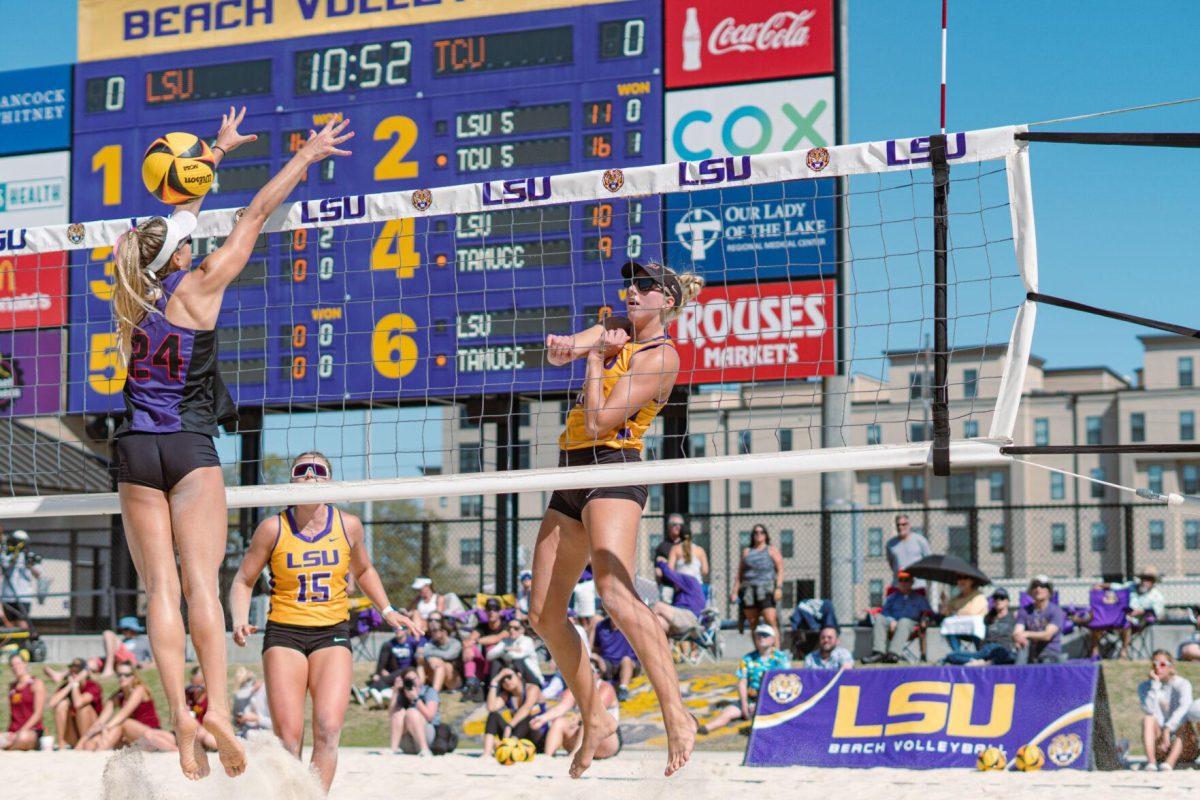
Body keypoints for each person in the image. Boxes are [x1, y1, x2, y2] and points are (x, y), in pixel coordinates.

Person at [110, 109, 352, 780]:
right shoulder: (202, 286)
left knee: (158, 589)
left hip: (134, 449)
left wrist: (212, 153)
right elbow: (254, 215)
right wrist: (307, 155)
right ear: (180, 254)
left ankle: (179, 720)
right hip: (187, 449)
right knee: (201, 590)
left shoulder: (130, 294)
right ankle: (214, 707)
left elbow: (176, 225)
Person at [529, 260, 704, 778]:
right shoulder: (618, 327)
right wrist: (568, 346)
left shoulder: (661, 355)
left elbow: (602, 419)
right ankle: (598, 719)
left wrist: (592, 359)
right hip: (572, 469)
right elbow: (565, 352)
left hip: (614, 466)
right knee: (542, 613)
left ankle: (676, 713)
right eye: (630, 283)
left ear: (666, 301)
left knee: (614, 591)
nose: (631, 290)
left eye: (644, 286)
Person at [229, 451, 421, 794]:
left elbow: (363, 571)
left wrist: (388, 609)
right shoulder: (273, 527)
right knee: (288, 738)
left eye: (318, 471)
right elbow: (243, 580)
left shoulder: (348, 525)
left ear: (330, 481)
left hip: (332, 632)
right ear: (292, 481)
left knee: (328, 728)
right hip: (285, 633)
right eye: (302, 471)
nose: (310, 476)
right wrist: (240, 619)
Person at [697, 624, 789, 736]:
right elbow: (742, 681)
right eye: (758, 635)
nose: (761, 638)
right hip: (751, 697)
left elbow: (785, 681)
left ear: (773, 639)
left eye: (765, 635)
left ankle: (754, 729)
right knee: (729, 711)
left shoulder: (780, 658)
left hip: (771, 698)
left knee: (763, 713)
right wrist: (745, 705)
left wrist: (763, 701)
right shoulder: (748, 658)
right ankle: (705, 729)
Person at [77, 664, 175, 753]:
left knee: (124, 723)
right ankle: (98, 750)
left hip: (152, 732)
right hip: (129, 735)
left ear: (133, 676)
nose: (122, 677)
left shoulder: (139, 689)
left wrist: (106, 728)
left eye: (126, 675)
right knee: (90, 744)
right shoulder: (118, 695)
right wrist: (83, 740)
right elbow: (100, 720)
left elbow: (123, 714)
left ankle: (100, 751)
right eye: (119, 675)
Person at [536, 670, 621, 760]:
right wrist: (542, 719)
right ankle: (547, 757)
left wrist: (579, 716)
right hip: (582, 737)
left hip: (608, 740)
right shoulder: (574, 689)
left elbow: (596, 711)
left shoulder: (606, 688)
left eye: (589, 670)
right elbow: (561, 708)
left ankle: (575, 756)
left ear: (598, 674)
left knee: (590, 720)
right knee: (559, 722)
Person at [1139, 650, 1200, 771]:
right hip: (1161, 744)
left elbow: (1185, 709)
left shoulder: (1182, 684)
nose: (1157, 668)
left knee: (1184, 723)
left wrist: (1168, 728)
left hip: (1183, 745)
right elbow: (1149, 710)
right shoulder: (1145, 687)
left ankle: (1169, 764)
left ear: (1171, 666)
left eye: (1162, 664)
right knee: (1148, 719)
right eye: (1154, 664)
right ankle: (1151, 762)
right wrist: (1154, 686)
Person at [1093, 567, 1166, 660]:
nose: (1145, 581)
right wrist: (1101, 586)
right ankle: (1094, 651)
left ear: (1154, 582)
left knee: (1126, 623)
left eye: (1149, 579)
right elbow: (1116, 586)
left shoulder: (1157, 596)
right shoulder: (1131, 586)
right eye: (1144, 578)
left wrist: (1142, 611)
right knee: (1097, 620)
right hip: (1117, 617)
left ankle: (1123, 653)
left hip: (1137, 622)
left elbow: (1157, 613)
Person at [863, 571, 931, 664]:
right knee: (879, 618)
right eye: (901, 580)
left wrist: (924, 619)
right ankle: (878, 653)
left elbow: (927, 613)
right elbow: (885, 612)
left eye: (906, 580)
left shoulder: (919, 598)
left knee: (904, 621)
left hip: (911, 624)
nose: (903, 583)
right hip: (893, 622)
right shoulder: (892, 597)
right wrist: (891, 621)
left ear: (912, 582)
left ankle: (893, 654)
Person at [730, 524, 784, 635]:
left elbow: (780, 570)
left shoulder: (772, 550)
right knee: (753, 623)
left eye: (761, 532)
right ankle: (759, 650)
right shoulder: (747, 551)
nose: (758, 534)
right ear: (752, 535)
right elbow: (740, 573)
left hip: (766, 589)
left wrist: (778, 587)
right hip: (749, 590)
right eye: (756, 532)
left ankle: (776, 651)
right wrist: (735, 591)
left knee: (771, 620)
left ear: (766, 535)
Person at [943, 587, 1017, 665]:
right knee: (952, 656)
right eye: (995, 598)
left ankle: (983, 663)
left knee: (1009, 656)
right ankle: (983, 662)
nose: (998, 600)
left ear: (1007, 602)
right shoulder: (988, 618)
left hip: (1002, 650)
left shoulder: (1014, 617)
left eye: (1002, 598)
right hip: (987, 650)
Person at [482, 667, 545, 757]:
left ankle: (507, 747)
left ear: (518, 675)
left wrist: (509, 726)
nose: (507, 681)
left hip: (538, 737)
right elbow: (491, 708)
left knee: (527, 717)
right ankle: (486, 754)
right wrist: (494, 682)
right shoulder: (507, 695)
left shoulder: (532, 688)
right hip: (517, 736)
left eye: (509, 676)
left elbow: (526, 708)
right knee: (493, 715)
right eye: (502, 680)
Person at [652, 558, 705, 652]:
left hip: (690, 618)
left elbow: (670, 574)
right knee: (658, 621)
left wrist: (660, 562)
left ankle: (635, 644)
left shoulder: (690, 580)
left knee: (658, 606)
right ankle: (665, 657)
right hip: (679, 623)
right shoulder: (681, 589)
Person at [47, 659, 102, 750]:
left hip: (91, 735)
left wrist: (75, 684)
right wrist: (70, 685)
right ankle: (61, 744)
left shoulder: (93, 686)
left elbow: (78, 703)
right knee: (61, 704)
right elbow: (52, 703)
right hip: (73, 734)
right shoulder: (67, 686)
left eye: (78, 671)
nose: (74, 674)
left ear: (85, 673)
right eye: (72, 670)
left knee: (83, 708)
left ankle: (83, 743)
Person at [364, 626, 425, 706]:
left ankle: (368, 691)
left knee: (387, 679)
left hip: (408, 672)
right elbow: (384, 660)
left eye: (401, 628)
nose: (398, 630)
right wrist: (381, 670)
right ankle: (377, 692)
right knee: (384, 678)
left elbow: (420, 652)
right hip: (395, 672)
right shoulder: (390, 643)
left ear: (406, 630)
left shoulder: (412, 642)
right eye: (395, 628)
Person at [1014, 574, 1068, 665]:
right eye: (1035, 586)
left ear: (1049, 592)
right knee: (1021, 645)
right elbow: (1017, 632)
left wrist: (1025, 634)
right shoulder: (1024, 611)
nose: (1038, 589)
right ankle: (1018, 674)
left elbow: (1047, 635)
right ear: (1031, 591)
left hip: (1050, 655)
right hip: (1030, 654)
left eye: (1043, 586)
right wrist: (1018, 638)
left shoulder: (1056, 611)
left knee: (1046, 663)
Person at [389, 666, 440, 757]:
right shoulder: (402, 693)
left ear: (419, 679)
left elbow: (430, 716)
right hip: (407, 741)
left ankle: (425, 749)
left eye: (414, 679)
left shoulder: (429, 691)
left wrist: (416, 699)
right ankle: (393, 748)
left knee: (411, 712)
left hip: (426, 735)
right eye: (408, 680)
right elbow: (391, 715)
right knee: (398, 713)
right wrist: (395, 692)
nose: (412, 682)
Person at [81, 617, 154, 677]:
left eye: (126, 629)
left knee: (108, 633)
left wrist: (144, 666)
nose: (123, 632)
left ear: (133, 629)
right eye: (122, 630)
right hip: (116, 660)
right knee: (90, 663)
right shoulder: (123, 641)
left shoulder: (144, 640)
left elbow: (154, 661)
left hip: (130, 661)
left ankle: (108, 669)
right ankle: (88, 675)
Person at [1, 653, 44, 751]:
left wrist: (20, 731)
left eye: (18, 664)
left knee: (23, 737)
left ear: (25, 664)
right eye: (13, 665)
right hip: (14, 731)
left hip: (31, 731)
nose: (15, 667)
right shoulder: (12, 687)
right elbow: (14, 714)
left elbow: (38, 714)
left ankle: (7, 748)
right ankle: (9, 745)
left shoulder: (36, 683)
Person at [591, 614, 640, 701]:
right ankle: (591, 689)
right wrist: (597, 659)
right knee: (594, 660)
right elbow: (596, 648)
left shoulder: (630, 625)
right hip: (608, 663)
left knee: (626, 660)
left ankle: (623, 688)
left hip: (629, 664)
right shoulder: (601, 626)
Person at [486, 617, 544, 686]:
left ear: (522, 630)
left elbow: (516, 656)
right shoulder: (505, 641)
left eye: (515, 628)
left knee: (518, 661)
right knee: (496, 662)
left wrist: (504, 651)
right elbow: (489, 656)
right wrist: (506, 650)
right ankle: (493, 687)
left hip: (532, 679)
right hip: (513, 675)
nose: (511, 630)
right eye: (509, 628)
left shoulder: (527, 640)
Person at [0, 529, 40, 625]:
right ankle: (13, 640)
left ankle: (23, 640)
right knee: (8, 623)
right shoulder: (6, 556)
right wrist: (13, 558)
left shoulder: (30, 557)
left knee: (22, 622)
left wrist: (30, 566)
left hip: (23, 595)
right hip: (8, 596)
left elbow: (38, 574)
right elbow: (4, 570)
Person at [940, 576, 988, 652]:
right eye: (959, 578)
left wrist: (957, 612)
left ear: (971, 581)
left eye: (965, 578)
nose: (961, 581)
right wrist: (944, 602)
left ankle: (980, 655)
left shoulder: (979, 596)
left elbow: (972, 612)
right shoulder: (956, 598)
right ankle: (957, 654)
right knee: (948, 629)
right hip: (960, 630)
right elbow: (945, 613)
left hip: (977, 632)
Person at [885, 515, 931, 588]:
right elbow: (891, 563)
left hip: (918, 586)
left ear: (909, 525)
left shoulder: (920, 540)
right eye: (898, 525)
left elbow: (929, 561)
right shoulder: (890, 544)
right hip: (899, 586)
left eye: (904, 524)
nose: (900, 527)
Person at [419, 619, 463, 693]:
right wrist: (430, 659)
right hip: (438, 677)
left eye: (435, 630)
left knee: (444, 664)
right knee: (421, 662)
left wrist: (432, 655)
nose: (432, 633)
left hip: (455, 681)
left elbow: (448, 655)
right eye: (431, 631)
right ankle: (419, 690)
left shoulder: (455, 643)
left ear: (444, 631)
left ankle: (433, 694)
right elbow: (421, 653)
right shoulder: (432, 643)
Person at [667, 528, 708, 594]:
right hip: (696, 584)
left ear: (679, 537)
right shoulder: (700, 550)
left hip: (681, 585)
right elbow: (705, 571)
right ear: (691, 536)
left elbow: (670, 569)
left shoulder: (675, 549)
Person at [231, 667, 271, 736]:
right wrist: (238, 721)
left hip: (265, 734)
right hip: (246, 733)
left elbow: (276, 725)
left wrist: (258, 719)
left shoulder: (266, 693)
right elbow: (236, 722)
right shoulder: (240, 695)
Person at [655, 514, 686, 602]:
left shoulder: (686, 546)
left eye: (680, 525)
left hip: (684, 587)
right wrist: (660, 586)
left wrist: (667, 562)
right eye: (675, 524)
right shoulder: (662, 547)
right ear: (669, 526)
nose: (678, 527)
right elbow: (658, 572)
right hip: (667, 587)